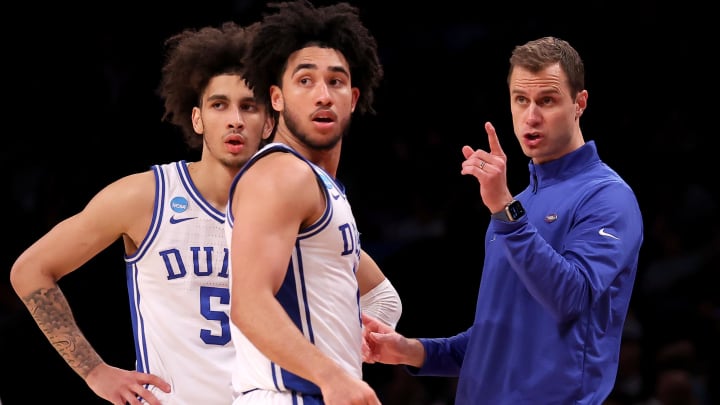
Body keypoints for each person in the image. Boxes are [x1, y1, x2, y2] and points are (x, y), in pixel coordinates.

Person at [362, 36, 644, 404]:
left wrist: (504, 211)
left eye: (547, 100)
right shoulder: (519, 205)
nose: (531, 117)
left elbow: (571, 299)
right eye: (521, 100)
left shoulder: (608, 196)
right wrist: (410, 350)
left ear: (580, 104)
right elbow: (495, 339)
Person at [9, 22, 275, 405]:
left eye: (248, 106)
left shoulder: (288, 208)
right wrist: (94, 371)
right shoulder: (146, 196)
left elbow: (368, 289)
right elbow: (30, 270)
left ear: (268, 123)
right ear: (198, 119)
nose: (235, 119)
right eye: (219, 105)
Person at [224, 1, 400, 404]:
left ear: (353, 98)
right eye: (305, 81)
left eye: (336, 82)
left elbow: (384, 298)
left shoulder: (320, 185)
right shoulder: (282, 173)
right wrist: (332, 375)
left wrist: (358, 342)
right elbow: (249, 304)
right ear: (277, 97)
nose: (323, 95)